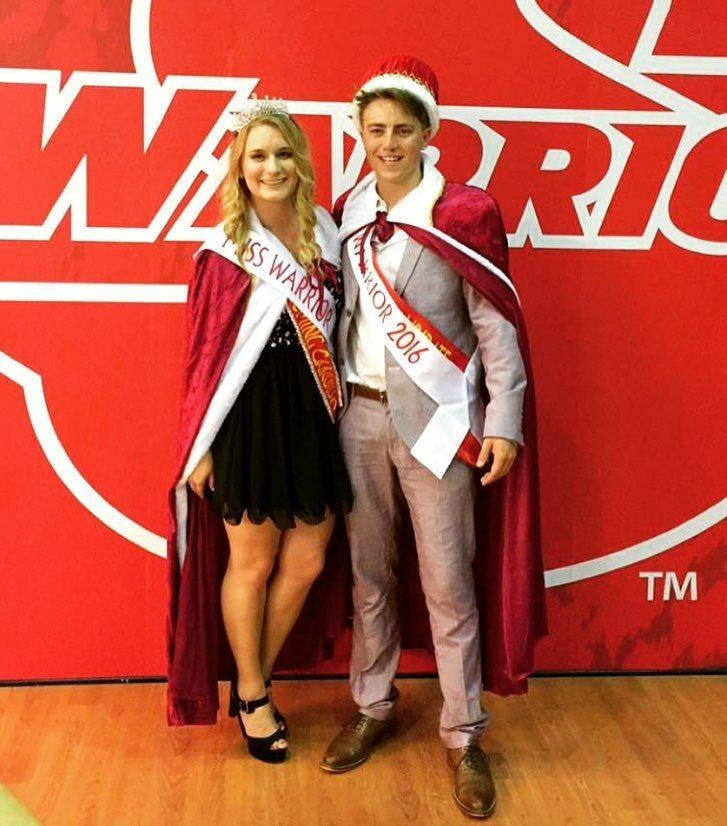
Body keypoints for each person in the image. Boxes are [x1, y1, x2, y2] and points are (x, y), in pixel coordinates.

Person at [320, 57, 546, 818]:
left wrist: (504, 423)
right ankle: (372, 706)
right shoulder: (346, 209)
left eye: (401, 129)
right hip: (359, 416)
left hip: (442, 425)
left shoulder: (464, 212)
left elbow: (495, 327)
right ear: (358, 133)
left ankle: (463, 734)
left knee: (449, 586)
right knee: (370, 578)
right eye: (374, 129)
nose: (387, 142)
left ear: (427, 133)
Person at [166, 98, 352, 764]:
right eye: (256, 156)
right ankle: (253, 695)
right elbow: (204, 359)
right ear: (238, 169)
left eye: (281, 154)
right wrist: (204, 445)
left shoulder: (328, 235)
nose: (270, 167)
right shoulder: (223, 252)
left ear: (298, 162)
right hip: (246, 421)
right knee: (251, 563)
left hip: (312, 416)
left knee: (306, 561)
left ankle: (251, 684)